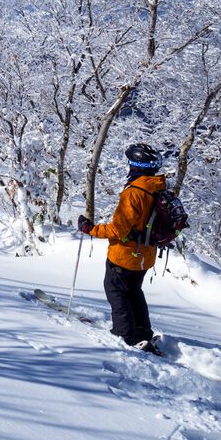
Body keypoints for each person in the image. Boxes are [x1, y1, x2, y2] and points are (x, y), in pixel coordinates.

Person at [76, 143, 165, 355]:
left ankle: (126, 335)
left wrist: (91, 229)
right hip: (146, 254)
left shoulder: (134, 193)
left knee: (116, 292)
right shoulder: (158, 186)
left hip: (125, 254)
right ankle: (143, 332)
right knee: (134, 291)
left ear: (135, 165)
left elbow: (118, 230)